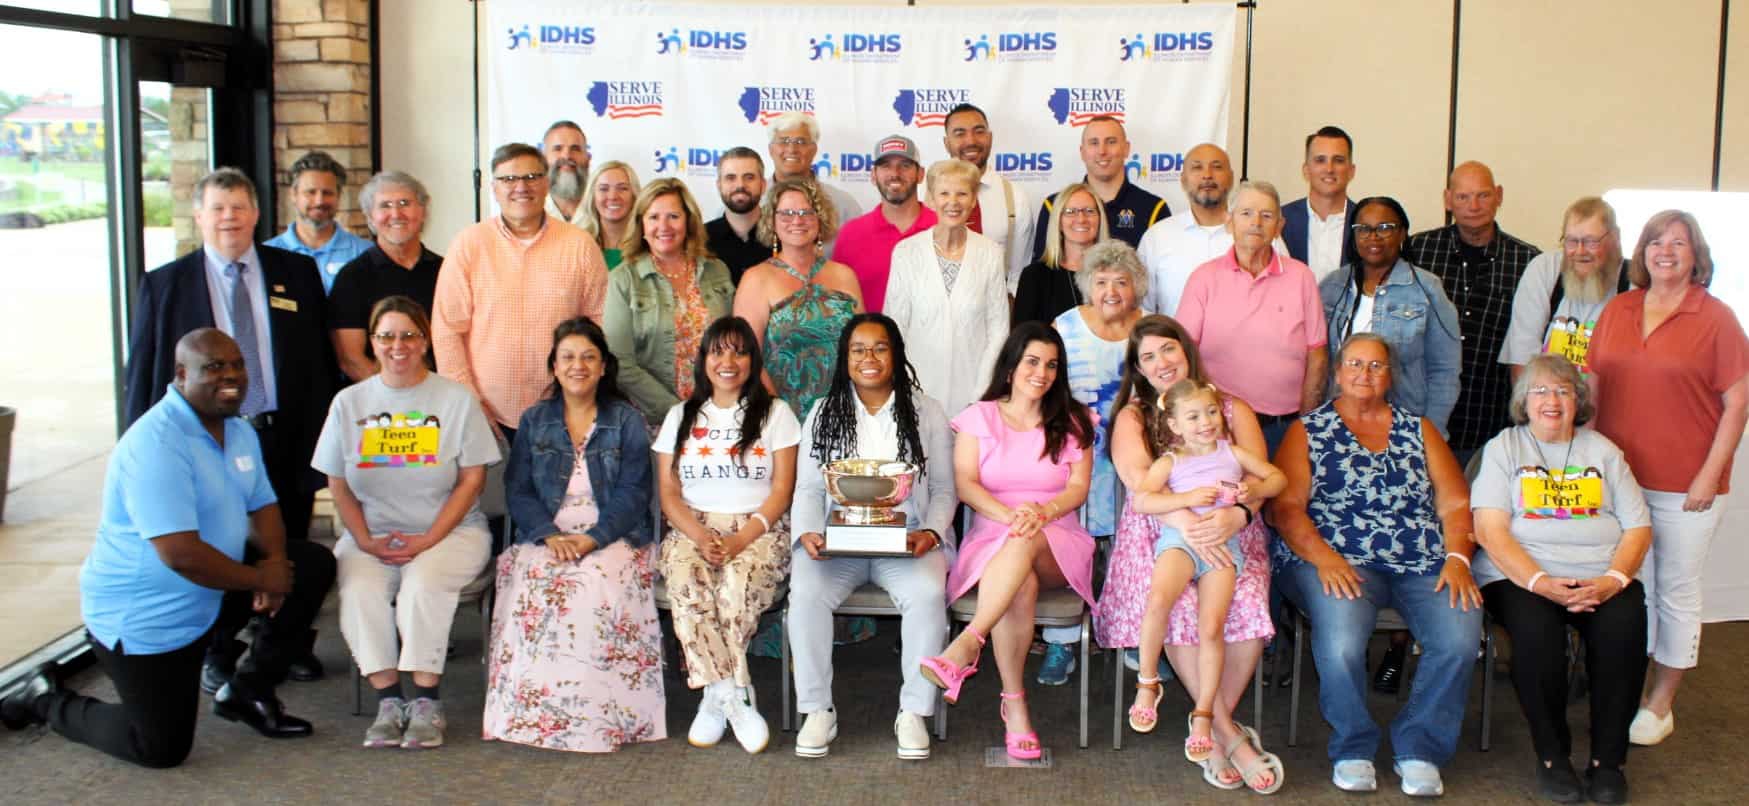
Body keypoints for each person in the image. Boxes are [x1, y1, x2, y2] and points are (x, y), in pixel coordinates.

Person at [0, 330, 336, 766]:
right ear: (181, 374)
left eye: (237, 365)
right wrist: (260, 578)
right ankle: (43, 698)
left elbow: (263, 504)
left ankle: (248, 690)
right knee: (159, 747)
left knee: (308, 563)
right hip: (148, 613)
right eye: (215, 367)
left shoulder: (235, 430)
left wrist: (273, 563)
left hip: (211, 589)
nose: (231, 376)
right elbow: (180, 555)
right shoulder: (156, 444)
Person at [122, 166, 336, 690]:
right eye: (217, 208)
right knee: (219, 543)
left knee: (284, 538)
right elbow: (146, 374)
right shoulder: (165, 284)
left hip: (281, 434)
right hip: (205, 441)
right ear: (199, 217)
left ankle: (279, 644)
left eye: (239, 207)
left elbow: (315, 363)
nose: (229, 218)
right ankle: (219, 649)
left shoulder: (297, 272)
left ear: (257, 214)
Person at [1269, 333, 1482, 797]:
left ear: (1391, 376)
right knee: (1343, 642)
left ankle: (1420, 747)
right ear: (1338, 371)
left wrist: (1459, 558)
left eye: (1376, 366)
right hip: (1333, 557)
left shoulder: (1417, 428)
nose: (1364, 374)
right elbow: (1285, 508)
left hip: (1422, 560)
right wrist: (1325, 559)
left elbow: (1454, 500)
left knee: (1460, 635)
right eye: (1355, 364)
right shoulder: (1309, 429)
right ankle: (1353, 745)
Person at [1094, 315, 1280, 790]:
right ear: (1137, 368)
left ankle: (1215, 723)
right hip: (1161, 532)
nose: (1161, 362)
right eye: (1148, 357)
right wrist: (1191, 526)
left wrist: (1237, 515)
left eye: (1168, 350)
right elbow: (1140, 485)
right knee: (1178, 605)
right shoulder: (1135, 416)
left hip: (1233, 529)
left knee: (1247, 602)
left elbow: (1262, 481)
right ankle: (1226, 733)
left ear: (1186, 350)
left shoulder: (1231, 407)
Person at [1588, 210, 1749, 748]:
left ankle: (1662, 703)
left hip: (1685, 484)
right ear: (1642, 252)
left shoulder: (1717, 317)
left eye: (1679, 242)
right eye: (1656, 241)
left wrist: (1710, 475)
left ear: (1696, 255)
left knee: (1675, 590)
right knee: (1632, 588)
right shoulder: (1618, 309)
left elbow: (1737, 402)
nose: (1666, 250)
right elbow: (1592, 387)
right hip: (1617, 481)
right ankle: (1631, 686)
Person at [313, 296, 497, 749]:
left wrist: (429, 538)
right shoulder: (348, 402)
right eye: (387, 336)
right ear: (372, 343)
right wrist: (365, 540)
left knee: (421, 584)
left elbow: (473, 480)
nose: (399, 346)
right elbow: (337, 482)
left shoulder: (456, 399)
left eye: (409, 335)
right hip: (371, 534)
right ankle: (389, 700)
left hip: (451, 532)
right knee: (359, 589)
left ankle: (427, 702)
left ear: (426, 341)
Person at [1472, 354, 1651, 804]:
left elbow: (1639, 527)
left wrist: (1614, 578)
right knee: (1538, 641)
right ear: (1523, 402)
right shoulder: (1504, 449)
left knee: (1624, 634)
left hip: (1601, 575)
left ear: (1579, 401)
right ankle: (1553, 757)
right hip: (1520, 577)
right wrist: (1539, 582)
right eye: (1540, 391)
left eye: (1563, 391)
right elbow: (1489, 530)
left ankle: (1608, 762)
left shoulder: (1604, 452)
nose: (1552, 401)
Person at [919, 323, 1097, 761]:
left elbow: (1077, 489)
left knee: (1023, 544)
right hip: (994, 536)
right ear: (1012, 365)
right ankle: (1015, 707)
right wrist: (1012, 517)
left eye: (1052, 365)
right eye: (1032, 361)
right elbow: (966, 484)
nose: (1042, 372)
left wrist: (1041, 513)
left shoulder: (1073, 419)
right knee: (1020, 579)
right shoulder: (980, 416)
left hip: (1058, 537)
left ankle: (968, 641)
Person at [486, 317, 664, 752]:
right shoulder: (535, 420)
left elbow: (634, 492)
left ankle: (600, 719)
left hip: (613, 534)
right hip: (548, 534)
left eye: (588, 357)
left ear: (604, 366)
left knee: (594, 582)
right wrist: (549, 535)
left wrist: (593, 538)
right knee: (537, 580)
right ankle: (533, 714)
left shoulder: (626, 420)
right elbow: (519, 490)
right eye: (567, 357)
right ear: (554, 366)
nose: (577, 365)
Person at [788, 313, 956, 761]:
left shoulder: (927, 412)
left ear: (896, 354)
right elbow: (806, 487)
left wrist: (932, 533)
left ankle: (914, 712)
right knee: (804, 591)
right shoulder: (824, 412)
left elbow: (943, 489)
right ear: (845, 359)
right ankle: (817, 710)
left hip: (905, 540)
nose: (869, 357)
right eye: (858, 349)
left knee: (927, 593)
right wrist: (808, 533)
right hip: (837, 542)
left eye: (880, 347)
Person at [1128, 379, 1286, 793]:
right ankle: (1148, 684)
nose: (1206, 422)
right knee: (1160, 599)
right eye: (1194, 416)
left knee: (1211, 626)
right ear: (1175, 425)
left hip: (1222, 548)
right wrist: (1186, 498)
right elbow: (1143, 500)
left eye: (1212, 413)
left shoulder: (1232, 452)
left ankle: (1203, 716)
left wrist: (1250, 491)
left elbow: (1276, 479)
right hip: (1181, 542)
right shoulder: (1171, 461)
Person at [655, 316, 801, 755]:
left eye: (738, 351)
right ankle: (730, 694)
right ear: (704, 360)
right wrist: (699, 535)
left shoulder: (776, 414)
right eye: (717, 351)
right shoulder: (680, 415)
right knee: (686, 586)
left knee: (735, 592)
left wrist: (743, 538)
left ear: (752, 360)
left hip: (759, 526)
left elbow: (782, 490)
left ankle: (719, 694)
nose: (728, 360)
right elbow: (668, 491)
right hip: (693, 525)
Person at [432, 142, 609, 446]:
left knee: (565, 495)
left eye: (531, 177)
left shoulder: (580, 245)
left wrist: (583, 395)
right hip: (486, 416)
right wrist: (468, 400)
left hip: (566, 409)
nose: (521, 188)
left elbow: (601, 323)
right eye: (509, 179)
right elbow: (448, 330)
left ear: (546, 182)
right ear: (493, 187)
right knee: (492, 495)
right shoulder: (469, 245)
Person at [1029, 240, 1146, 685]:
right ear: (1086, 286)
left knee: (1130, 551)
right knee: (1069, 547)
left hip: (1133, 461)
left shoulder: (1149, 329)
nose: (1111, 290)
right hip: (1073, 456)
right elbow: (1046, 389)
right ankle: (1061, 643)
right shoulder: (1065, 326)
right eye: (1101, 281)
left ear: (1137, 287)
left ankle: (1133, 636)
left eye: (1121, 281)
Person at [1402, 161, 1541, 463]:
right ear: (1448, 199)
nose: (1473, 206)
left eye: (1483, 195)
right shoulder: (1418, 251)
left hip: (1492, 419)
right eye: (1463, 197)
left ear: (1499, 196)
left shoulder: (1529, 262)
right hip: (1423, 415)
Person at [1175, 180, 1328, 453]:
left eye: (1266, 215)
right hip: (1219, 428)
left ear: (1279, 226)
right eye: (1246, 213)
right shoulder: (1203, 278)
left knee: (1284, 495)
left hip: (1285, 426)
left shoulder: (1302, 277)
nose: (1256, 222)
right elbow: (1185, 352)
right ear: (1230, 221)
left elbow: (1317, 354)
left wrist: (1306, 424)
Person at [1318, 196, 1462, 435]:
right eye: (1363, 229)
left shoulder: (1427, 289)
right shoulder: (1332, 286)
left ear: (1403, 233)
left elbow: (1445, 369)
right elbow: (1319, 361)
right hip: (1337, 423)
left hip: (1405, 426)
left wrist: (1430, 432)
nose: (1373, 236)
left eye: (1385, 228)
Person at [604, 178, 736, 427]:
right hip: (654, 421)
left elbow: (734, 344)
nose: (663, 226)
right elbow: (619, 362)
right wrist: (679, 412)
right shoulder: (623, 280)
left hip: (718, 415)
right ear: (641, 224)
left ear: (688, 221)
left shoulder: (716, 270)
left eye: (673, 216)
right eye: (653, 217)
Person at [732, 177, 863, 419]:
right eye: (787, 213)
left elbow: (863, 348)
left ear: (820, 218)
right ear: (772, 220)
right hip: (778, 415)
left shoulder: (845, 276)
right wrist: (777, 414)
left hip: (845, 413)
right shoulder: (756, 279)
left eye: (806, 212)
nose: (797, 220)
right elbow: (747, 355)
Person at [886, 158, 1008, 419]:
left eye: (962, 193)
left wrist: (981, 395)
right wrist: (907, 390)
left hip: (974, 399)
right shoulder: (906, 253)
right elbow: (894, 328)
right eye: (944, 193)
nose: (953, 202)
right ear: (930, 198)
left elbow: (998, 331)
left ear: (974, 199)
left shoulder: (991, 253)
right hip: (916, 397)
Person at [329, 170, 444, 382]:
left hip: (443, 398)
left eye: (404, 203)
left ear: (423, 211)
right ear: (370, 217)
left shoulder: (446, 271)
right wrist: (395, 397)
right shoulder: (352, 278)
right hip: (380, 405)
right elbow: (351, 359)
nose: (396, 214)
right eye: (385, 206)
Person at [1500, 197, 1629, 381]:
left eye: (1591, 241)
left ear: (1615, 238)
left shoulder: (1634, 282)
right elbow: (1523, 359)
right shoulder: (1544, 270)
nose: (1580, 251)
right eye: (1571, 241)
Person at [1030, 116, 1169, 259]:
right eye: (1094, 143)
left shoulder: (1154, 209)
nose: (1102, 151)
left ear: (1126, 149)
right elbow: (1041, 270)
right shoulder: (1054, 206)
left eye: (1111, 142)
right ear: (1082, 151)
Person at [833, 134, 936, 314]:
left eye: (905, 166)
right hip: (872, 342)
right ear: (873, 175)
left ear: (920, 174)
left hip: (934, 341)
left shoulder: (942, 228)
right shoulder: (851, 234)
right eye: (886, 166)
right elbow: (838, 304)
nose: (895, 174)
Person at [1136, 143, 1242, 314]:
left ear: (1230, 178)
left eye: (1216, 167)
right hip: (1176, 340)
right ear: (1183, 180)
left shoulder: (1257, 232)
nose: (1207, 175)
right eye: (1197, 168)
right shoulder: (1157, 237)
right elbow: (1142, 309)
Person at [941, 103, 1036, 292]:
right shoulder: (926, 195)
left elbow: (1019, 272)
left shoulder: (1015, 198)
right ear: (946, 142)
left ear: (990, 137)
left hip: (995, 309)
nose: (971, 140)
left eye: (979, 131)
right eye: (960, 133)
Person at [265, 150, 373, 293]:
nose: (319, 201)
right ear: (293, 195)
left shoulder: (364, 253)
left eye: (327, 193)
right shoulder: (268, 254)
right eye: (311, 192)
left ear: (339, 196)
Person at [1012, 181, 1109, 326]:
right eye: (1070, 212)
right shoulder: (1034, 277)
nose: (1081, 219)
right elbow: (1023, 339)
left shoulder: (1115, 274)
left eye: (1089, 211)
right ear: (1059, 221)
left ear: (1100, 219)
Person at [766, 111, 864, 250]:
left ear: (814, 150)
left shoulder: (844, 205)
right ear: (771, 149)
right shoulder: (753, 201)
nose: (792, 149)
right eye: (783, 141)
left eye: (801, 142)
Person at [1281, 126, 1358, 281]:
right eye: (1320, 160)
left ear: (1351, 171)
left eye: (1338, 160)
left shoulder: (1364, 224)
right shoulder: (1280, 221)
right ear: (1306, 170)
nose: (1329, 169)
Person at [704, 147, 771, 284]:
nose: (740, 185)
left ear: (763, 185)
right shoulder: (700, 239)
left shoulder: (783, 237)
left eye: (749, 177)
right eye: (730, 178)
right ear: (719, 185)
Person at [577, 160, 641, 269]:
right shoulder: (578, 242)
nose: (613, 196)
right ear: (592, 197)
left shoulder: (647, 243)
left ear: (634, 195)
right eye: (604, 189)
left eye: (622, 188)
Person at [541, 120, 592, 225]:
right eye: (557, 149)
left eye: (575, 149)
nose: (566, 156)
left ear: (588, 159)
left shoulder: (604, 206)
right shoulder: (530, 210)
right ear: (543, 159)